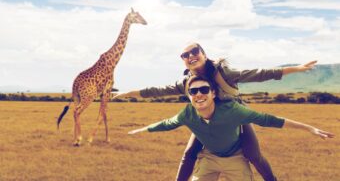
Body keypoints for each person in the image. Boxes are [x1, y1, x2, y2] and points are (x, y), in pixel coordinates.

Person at [114, 42, 318, 181]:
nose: (190, 56)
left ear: (204, 54)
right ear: (183, 61)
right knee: (189, 153)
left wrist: (296, 68)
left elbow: (258, 74)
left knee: (252, 154)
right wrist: (127, 93)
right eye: (185, 55)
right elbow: (157, 91)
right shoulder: (186, 83)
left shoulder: (224, 73)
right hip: (206, 117)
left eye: (195, 51)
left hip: (234, 115)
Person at [128, 75, 334, 181]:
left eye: (204, 89)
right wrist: (143, 129)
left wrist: (309, 128)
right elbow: (166, 124)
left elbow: (270, 119)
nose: (198, 94)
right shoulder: (187, 114)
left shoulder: (233, 111)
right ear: (189, 95)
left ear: (214, 93)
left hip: (236, 158)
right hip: (208, 158)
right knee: (189, 156)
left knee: (255, 156)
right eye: (193, 91)